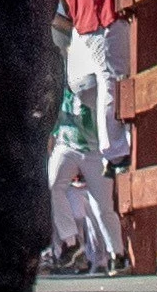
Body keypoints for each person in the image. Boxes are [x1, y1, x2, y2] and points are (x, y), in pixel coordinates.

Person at [58, 0, 131, 164]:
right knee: (114, 80)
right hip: (101, 16)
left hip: (85, 23)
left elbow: (66, 3)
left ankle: (112, 147)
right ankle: (116, 150)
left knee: (103, 83)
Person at [47, 84, 117, 274]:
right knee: (58, 194)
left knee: (101, 212)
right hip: (73, 173)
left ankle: (112, 256)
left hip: (94, 156)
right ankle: (73, 243)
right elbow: (54, 132)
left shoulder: (92, 91)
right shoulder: (61, 96)